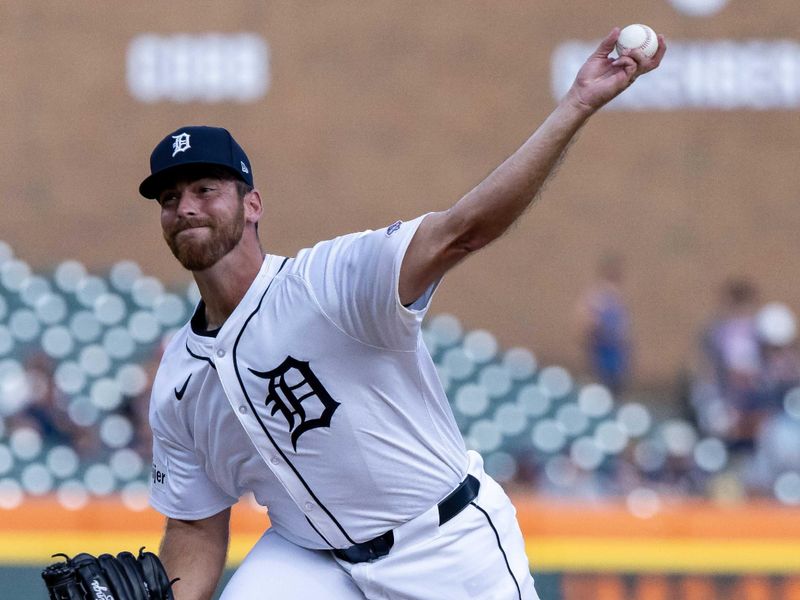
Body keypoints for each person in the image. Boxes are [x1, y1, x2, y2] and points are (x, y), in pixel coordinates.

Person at [141, 28, 665, 600]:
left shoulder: (328, 282)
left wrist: (576, 105)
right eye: (170, 199)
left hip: (442, 544)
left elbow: (465, 229)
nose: (185, 206)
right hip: (313, 564)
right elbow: (194, 524)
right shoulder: (178, 380)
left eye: (205, 188)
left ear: (252, 204)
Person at [576, 253, 632, 395]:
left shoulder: (617, 297)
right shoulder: (597, 298)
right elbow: (587, 322)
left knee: (615, 387)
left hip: (616, 352)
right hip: (603, 351)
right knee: (602, 388)